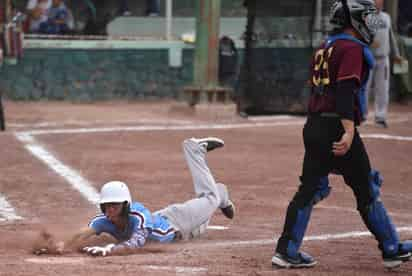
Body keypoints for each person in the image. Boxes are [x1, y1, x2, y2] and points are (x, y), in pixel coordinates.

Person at [271, 0, 412, 270]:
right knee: (366, 189)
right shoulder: (351, 48)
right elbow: (345, 91)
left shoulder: (325, 46)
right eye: (366, 19)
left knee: (310, 189)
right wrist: (348, 130)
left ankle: (286, 250)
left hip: (314, 125)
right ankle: (391, 249)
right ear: (353, 22)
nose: (371, 24)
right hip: (337, 126)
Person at [34, 137, 235, 256]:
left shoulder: (139, 216)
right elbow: (83, 232)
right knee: (208, 209)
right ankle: (222, 193)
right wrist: (62, 244)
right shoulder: (106, 221)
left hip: (178, 220)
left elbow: (135, 243)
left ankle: (193, 149)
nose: (111, 209)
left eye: (115, 205)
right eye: (107, 206)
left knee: (209, 199)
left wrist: (111, 249)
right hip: (186, 233)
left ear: (126, 205)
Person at [365, 0, 404, 128]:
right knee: (364, 87)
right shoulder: (366, 17)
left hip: (383, 58)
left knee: (383, 89)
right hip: (368, 57)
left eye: (381, 2)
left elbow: (391, 36)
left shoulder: (386, 17)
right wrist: (369, 43)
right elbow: (360, 36)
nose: (379, 4)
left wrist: (396, 54)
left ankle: (380, 117)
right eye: (377, 2)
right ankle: (362, 115)